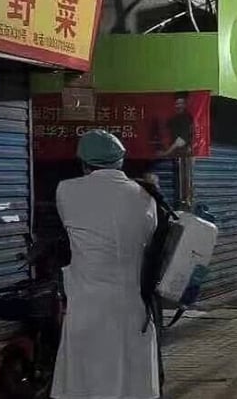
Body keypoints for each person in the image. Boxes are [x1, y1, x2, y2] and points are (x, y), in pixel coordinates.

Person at [52, 130, 160, 399]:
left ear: (84, 162)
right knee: (132, 384)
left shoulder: (67, 190)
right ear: (120, 161)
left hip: (88, 307)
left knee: (86, 385)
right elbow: (147, 238)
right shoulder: (146, 196)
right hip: (132, 307)